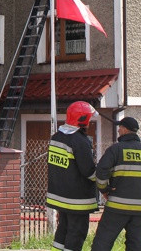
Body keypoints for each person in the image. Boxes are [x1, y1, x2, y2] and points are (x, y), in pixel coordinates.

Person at [91, 116, 141, 251]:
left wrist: (104, 190)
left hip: (117, 207)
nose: (118, 130)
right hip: (139, 210)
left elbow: (101, 172)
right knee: (136, 245)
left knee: (102, 243)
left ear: (125, 129)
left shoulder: (116, 150)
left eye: (120, 127)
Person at [46, 101, 98, 251]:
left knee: (63, 229)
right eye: (88, 118)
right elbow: (89, 171)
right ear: (83, 120)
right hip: (77, 199)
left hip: (59, 195)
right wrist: (103, 180)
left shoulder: (56, 137)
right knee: (77, 233)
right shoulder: (80, 141)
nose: (90, 122)